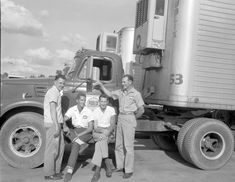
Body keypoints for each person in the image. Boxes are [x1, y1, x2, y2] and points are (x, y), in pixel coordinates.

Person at [94, 74, 145, 179]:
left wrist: (133, 118)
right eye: (122, 82)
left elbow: (141, 109)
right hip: (120, 118)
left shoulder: (136, 94)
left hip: (129, 118)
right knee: (118, 145)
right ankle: (120, 166)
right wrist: (101, 85)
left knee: (128, 146)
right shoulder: (120, 92)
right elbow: (109, 94)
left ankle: (129, 170)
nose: (123, 83)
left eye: (124, 82)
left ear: (130, 82)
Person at [63, 92, 94, 182]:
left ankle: (69, 171)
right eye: (81, 100)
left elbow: (90, 128)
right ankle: (82, 144)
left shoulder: (88, 111)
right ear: (77, 100)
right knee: (66, 131)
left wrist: (79, 135)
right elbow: (63, 119)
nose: (83, 102)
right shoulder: (72, 109)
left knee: (75, 144)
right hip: (75, 130)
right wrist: (65, 126)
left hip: (85, 132)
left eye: (84, 100)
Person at [43, 74, 66, 180]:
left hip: (57, 123)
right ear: (55, 82)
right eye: (60, 82)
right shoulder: (53, 92)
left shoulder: (57, 92)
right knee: (52, 149)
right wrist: (56, 126)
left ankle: (56, 171)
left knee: (60, 148)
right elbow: (53, 109)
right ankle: (49, 173)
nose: (62, 85)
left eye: (63, 83)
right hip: (53, 124)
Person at [90, 94, 116, 182]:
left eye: (105, 101)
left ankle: (97, 172)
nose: (103, 103)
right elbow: (96, 127)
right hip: (98, 132)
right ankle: (108, 164)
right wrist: (103, 132)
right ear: (99, 102)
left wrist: (107, 132)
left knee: (99, 145)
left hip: (108, 132)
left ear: (107, 102)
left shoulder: (111, 110)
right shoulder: (96, 111)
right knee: (103, 139)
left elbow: (112, 124)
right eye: (101, 101)